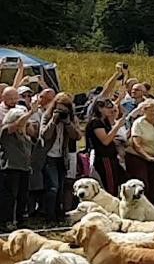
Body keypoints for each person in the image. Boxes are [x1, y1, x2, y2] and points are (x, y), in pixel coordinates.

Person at [39, 92, 81, 221]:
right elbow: (44, 135)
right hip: (49, 156)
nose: (62, 112)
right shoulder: (47, 116)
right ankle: (49, 215)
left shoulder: (71, 118)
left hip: (62, 157)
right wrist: (54, 121)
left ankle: (58, 213)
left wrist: (67, 123)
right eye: (59, 108)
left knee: (61, 187)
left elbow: (77, 136)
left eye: (65, 109)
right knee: (53, 186)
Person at [0, 107, 35, 230]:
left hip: (24, 168)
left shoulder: (25, 135)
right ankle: (7, 221)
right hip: (10, 168)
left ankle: (21, 220)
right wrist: (31, 112)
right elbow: (17, 124)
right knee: (9, 197)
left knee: (22, 196)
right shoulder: (5, 131)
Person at [85, 98, 128, 195]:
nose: (111, 110)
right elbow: (105, 141)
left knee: (123, 179)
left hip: (112, 157)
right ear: (100, 109)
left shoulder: (105, 122)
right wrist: (117, 126)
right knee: (110, 185)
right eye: (108, 108)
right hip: (104, 158)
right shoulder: (96, 122)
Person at [125, 100, 154, 204]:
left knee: (153, 184)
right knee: (143, 183)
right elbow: (137, 144)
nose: (152, 113)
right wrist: (147, 157)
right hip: (138, 157)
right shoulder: (138, 123)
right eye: (150, 110)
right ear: (144, 111)